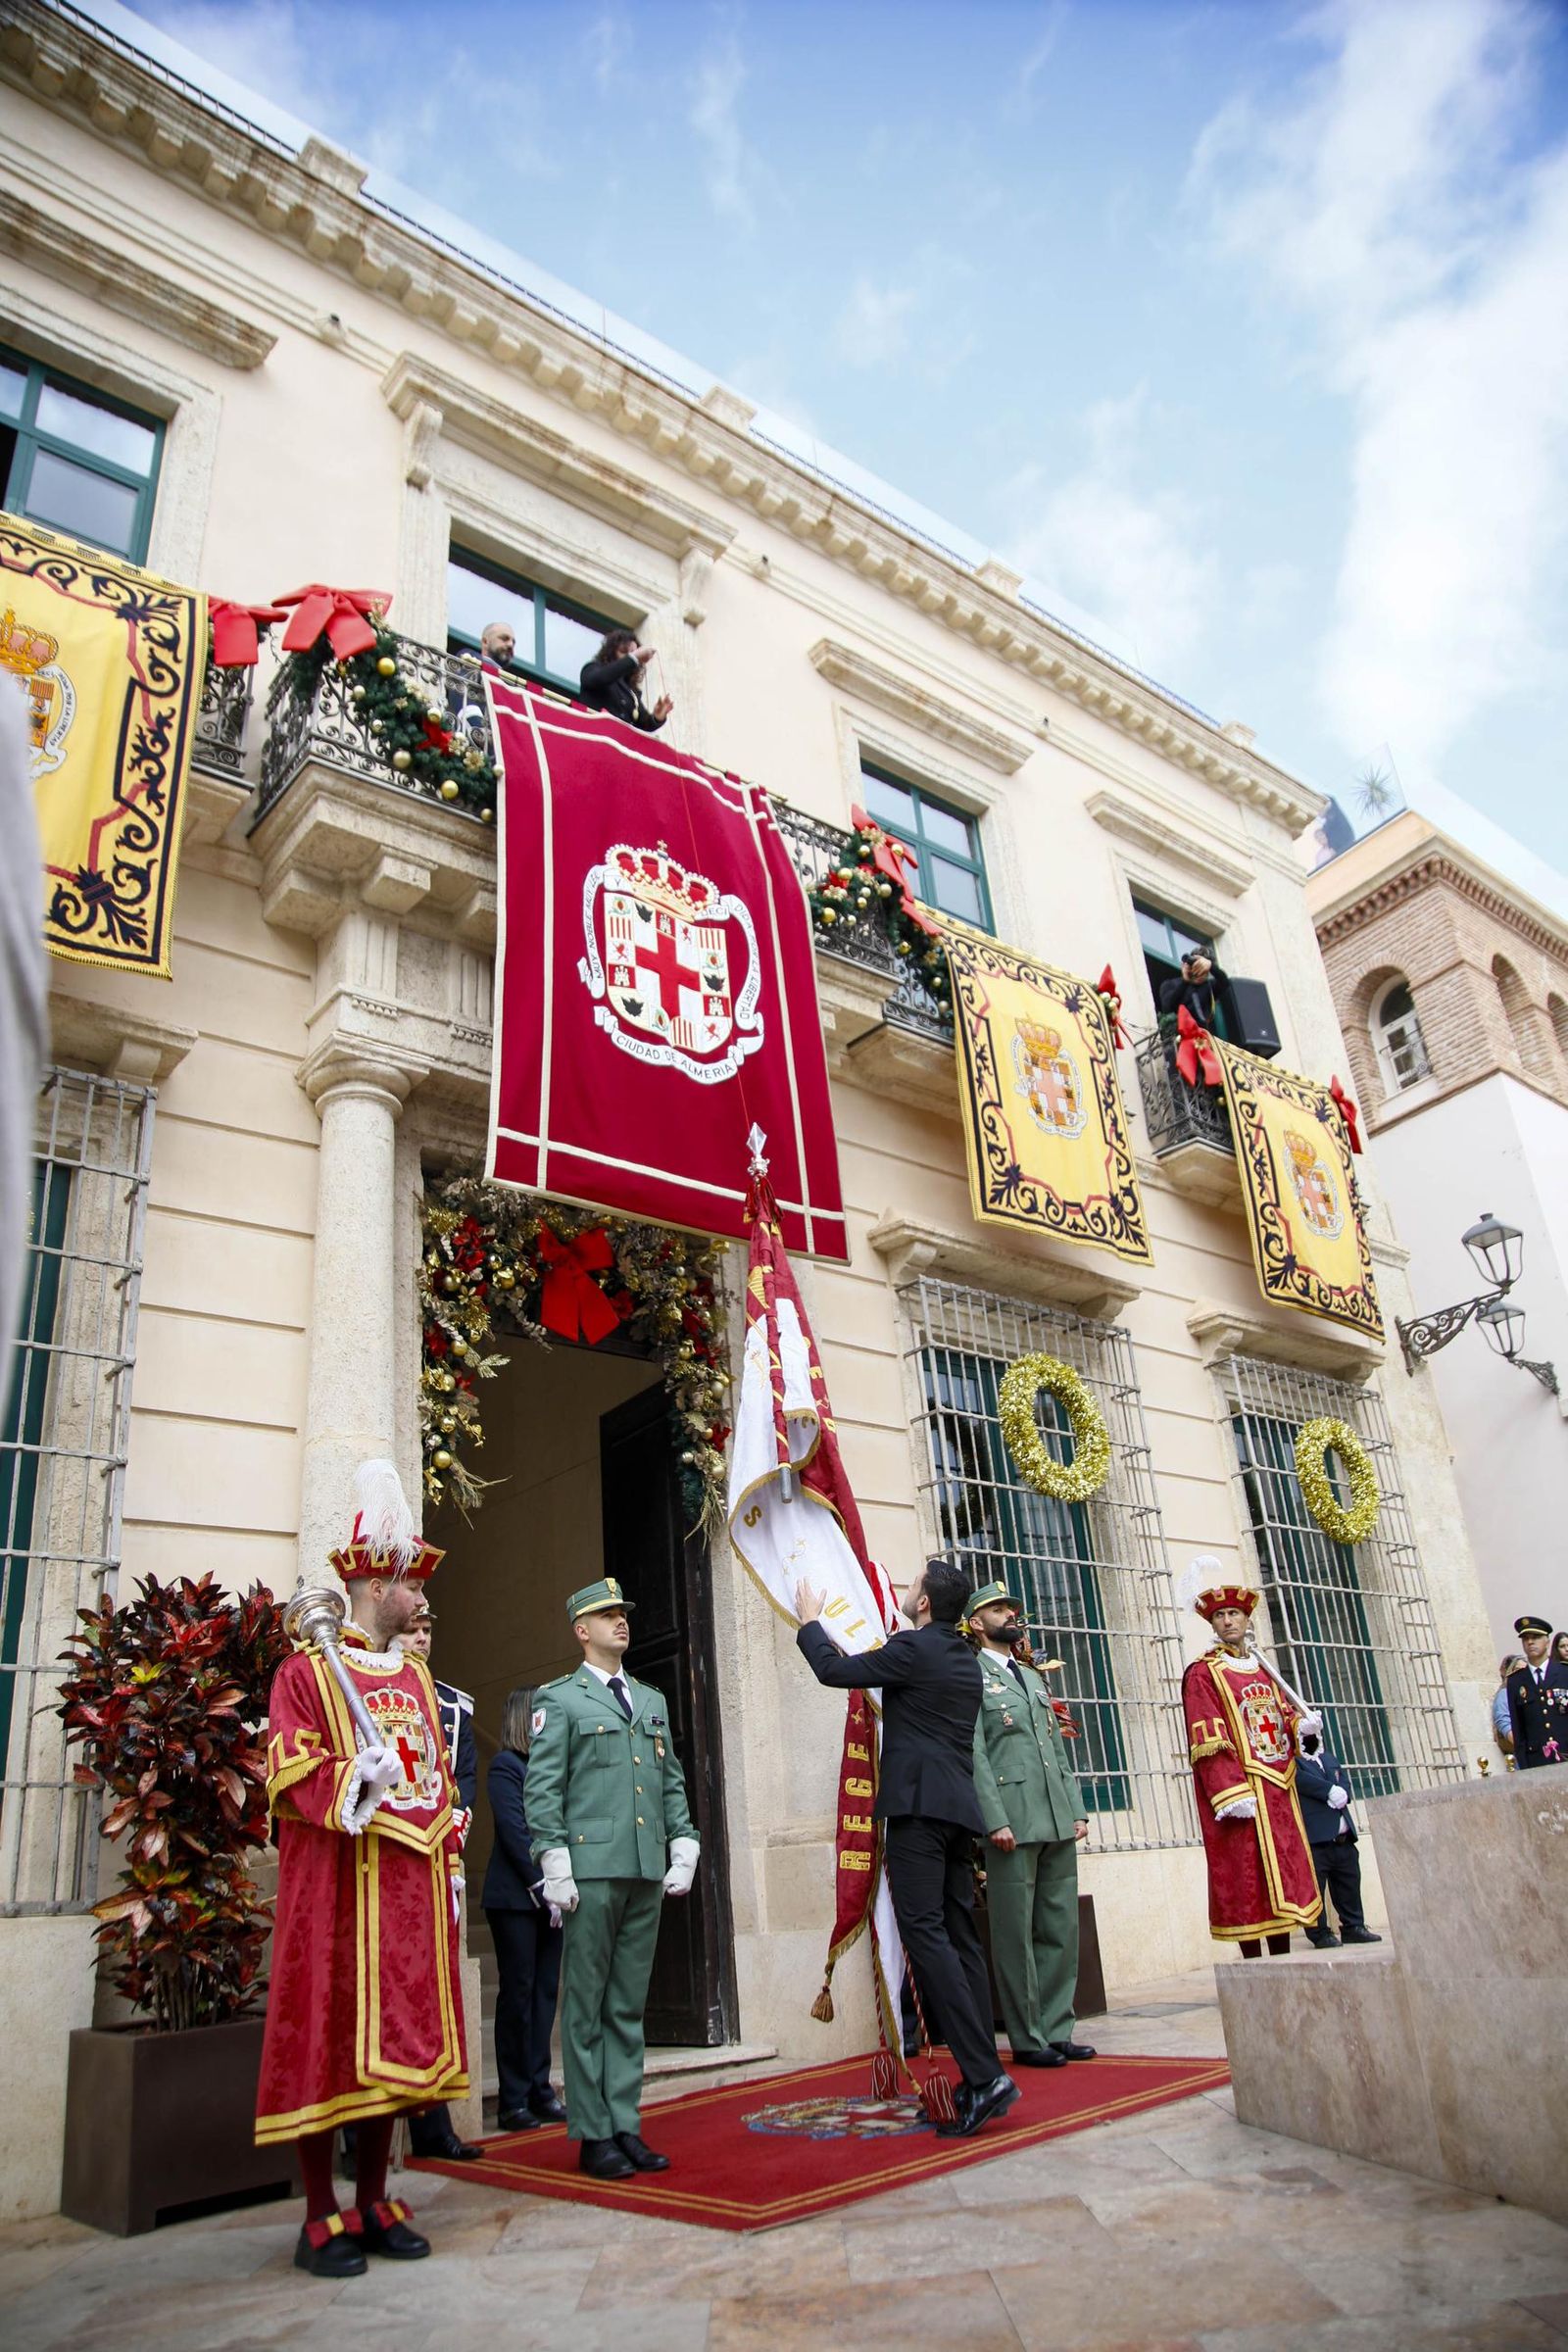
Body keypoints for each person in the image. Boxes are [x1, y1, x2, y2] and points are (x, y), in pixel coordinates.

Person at [255, 1461, 467, 2278]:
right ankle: (319, 2214)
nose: (420, 1597)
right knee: (327, 2039)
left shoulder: (413, 1675)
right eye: (411, 1581)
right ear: (377, 1586)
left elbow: (437, 1771)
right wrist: (352, 1780)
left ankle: (376, 2198)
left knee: (394, 2051)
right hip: (340, 1888)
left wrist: (446, 1843)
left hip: (408, 1885)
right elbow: (286, 1764)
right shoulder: (303, 1673)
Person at [792, 1558, 1017, 2141]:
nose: (905, 1589)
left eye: (911, 1586)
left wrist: (811, 1622)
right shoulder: (964, 1660)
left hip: (918, 1813)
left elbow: (834, 1672)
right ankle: (981, 2074)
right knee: (959, 1936)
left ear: (923, 1605)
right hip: (957, 1814)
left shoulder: (913, 1650)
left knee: (926, 1935)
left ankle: (984, 2076)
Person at [525, 1578, 700, 2180]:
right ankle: (592, 2133)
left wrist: (683, 1843)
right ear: (582, 1631)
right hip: (591, 1870)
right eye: (606, 1615)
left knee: (627, 2005)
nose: (620, 1622)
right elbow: (542, 1789)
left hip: (644, 1866)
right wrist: (553, 1863)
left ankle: (625, 2123)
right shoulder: (561, 1700)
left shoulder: (651, 1699)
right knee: (586, 2006)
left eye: (622, 1613)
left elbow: (669, 1778)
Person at [967, 1580, 1094, 2069]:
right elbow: (974, 1752)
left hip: (1056, 1816)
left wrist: (1077, 1808)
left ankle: (1058, 2027)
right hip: (1013, 1822)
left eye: (1011, 1608)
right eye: (998, 1609)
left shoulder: (1034, 1678)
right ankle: (1027, 2037)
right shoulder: (971, 1675)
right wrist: (992, 1819)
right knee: (1015, 1933)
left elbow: (1057, 1748)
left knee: (1059, 1927)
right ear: (977, 1623)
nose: (1009, 1614)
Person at [1178, 1557, 1324, 1957]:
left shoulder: (1262, 1668)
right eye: (1221, 1615)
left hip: (1279, 1785)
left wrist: (1303, 1730)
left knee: (1282, 1884)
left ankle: (1282, 1960)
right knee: (1247, 1881)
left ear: (1247, 1620)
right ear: (1212, 1624)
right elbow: (1207, 1734)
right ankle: (1253, 1966)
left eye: (1235, 1614)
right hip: (1243, 1792)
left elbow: (1282, 1713)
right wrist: (1229, 1791)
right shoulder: (1203, 1673)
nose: (1228, 1621)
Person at [396, 1602, 480, 2165]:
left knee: (433, 1993)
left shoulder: (452, 1704)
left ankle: (435, 2129)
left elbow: (463, 1775)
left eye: (428, 1630)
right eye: (413, 1631)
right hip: (384, 1855)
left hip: (437, 1858)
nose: (422, 1640)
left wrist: (452, 1824)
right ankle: (362, 2138)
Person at [481, 1686, 566, 2132]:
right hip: (515, 1898)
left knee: (545, 1992)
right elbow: (515, 1830)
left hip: (553, 1895)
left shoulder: (549, 1770)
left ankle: (540, 2088)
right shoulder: (506, 1767)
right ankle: (512, 2099)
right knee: (518, 1993)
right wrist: (541, 1883)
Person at [1296, 1732, 1382, 1949]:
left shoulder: (1328, 1758)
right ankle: (1320, 1934)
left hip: (1343, 1837)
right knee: (1316, 1890)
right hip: (1316, 1839)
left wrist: (1342, 1790)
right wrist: (1328, 1790)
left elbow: (1342, 1779)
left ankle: (1354, 1927)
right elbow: (1300, 1781)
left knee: (1349, 1883)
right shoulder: (1294, 1762)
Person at [578, 628, 672, 731]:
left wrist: (657, 717)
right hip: (594, 733)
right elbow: (600, 678)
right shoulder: (592, 669)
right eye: (624, 651)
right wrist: (634, 657)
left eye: (633, 653)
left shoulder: (631, 693)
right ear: (610, 652)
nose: (630, 656)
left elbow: (643, 723)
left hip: (616, 742)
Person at [1506, 1616, 1568, 1769]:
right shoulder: (1516, 1681)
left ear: (1547, 1640)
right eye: (1525, 1638)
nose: (1530, 1642)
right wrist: (1525, 1765)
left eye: (1536, 1637)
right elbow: (1518, 1729)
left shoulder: (1564, 1673)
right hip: (1537, 1760)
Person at [1158, 947, 1227, 1030]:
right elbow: (1167, 1008)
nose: (1199, 973)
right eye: (1196, 967)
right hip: (1179, 1036)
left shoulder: (1209, 986)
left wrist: (1210, 965)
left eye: (1203, 970)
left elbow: (1224, 982)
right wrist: (1185, 981)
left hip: (1201, 1037)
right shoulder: (1170, 984)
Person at [1492, 1654, 1524, 1762]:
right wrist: (1522, 1746)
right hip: (1519, 1754)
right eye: (1518, 1670)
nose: (1522, 1674)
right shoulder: (1504, 1694)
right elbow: (1504, 1723)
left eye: (1525, 1670)